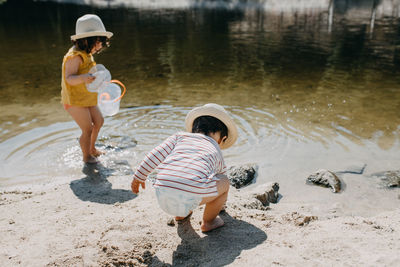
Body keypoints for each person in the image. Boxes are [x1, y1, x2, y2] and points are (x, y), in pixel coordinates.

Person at [131, 103, 238, 232]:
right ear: (222, 139)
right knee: (223, 182)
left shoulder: (179, 137)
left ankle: (181, 214)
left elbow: (154, 155)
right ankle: (209, 222)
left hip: (162, 193)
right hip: (190, 195)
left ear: (193, 129)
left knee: (185, 175)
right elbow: (220, 175)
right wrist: (220, 205)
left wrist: (139, 176)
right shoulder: (215, 148)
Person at [61, 14, 113, 164]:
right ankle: (86, 156)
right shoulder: (74, 57)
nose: (101, 46)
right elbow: (69, 78)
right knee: (88, 128)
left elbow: (89, 72)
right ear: (86, 40)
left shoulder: (87, 53)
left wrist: (99, 79)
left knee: (99, 121)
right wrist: (84, 78)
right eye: (99, 42)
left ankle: (92, 148)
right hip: (74, 100)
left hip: (86, 97)